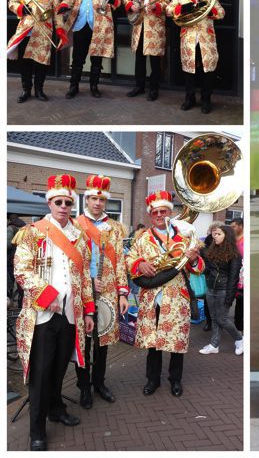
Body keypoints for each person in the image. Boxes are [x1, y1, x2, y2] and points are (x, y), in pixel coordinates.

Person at [12, 174, 95, 451]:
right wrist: (47, 296)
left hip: (71, 314)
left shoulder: (80, 238)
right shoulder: (32, 232)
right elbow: (21, 270)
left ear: (72, 205)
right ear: (49, 202)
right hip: (42, 316)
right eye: (58, 201)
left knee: (59, 369)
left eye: (68, 202)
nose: (63, 206)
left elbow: (84, 278)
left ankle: (56, 409)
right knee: (40, 374)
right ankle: (37, 431)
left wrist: (89, 312)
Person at [126, 190, 203, 398]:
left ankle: (175, 380)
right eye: (155, 212)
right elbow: (129, 259)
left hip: (177, 298)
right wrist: (139, 264)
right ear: (151, 215)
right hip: (151, 298)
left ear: (170, 213)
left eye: (163, 211)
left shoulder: (184, 237)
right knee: (153, 343)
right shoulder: (142, 239)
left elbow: (199, 268)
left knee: (176, 342)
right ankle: (152, 380)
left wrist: (194, 259)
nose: (159, 215)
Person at [73, 175, 130, 409]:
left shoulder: (115, 228)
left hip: (107, 292)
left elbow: (120, 263)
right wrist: (87, 280)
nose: (97, 203)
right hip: (82, 292)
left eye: (101, 199)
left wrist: (123, 292)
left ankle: (99, 383)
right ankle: (84, 387)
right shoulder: (75, 225)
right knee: (84, 342)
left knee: (103, 341)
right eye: (93, 198)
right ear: (86, 199)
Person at [56, 0, 120, 99]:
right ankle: (74, 86)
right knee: (78, 59)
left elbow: (117, 3)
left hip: (99, 27)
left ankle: (94, 86)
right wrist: (64, 5)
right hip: (80, 25)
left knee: (96, 59)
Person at [168, 0, 226, 113]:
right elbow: (169, 10)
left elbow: (221, 13)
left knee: (208, 71)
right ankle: (190, 99)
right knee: (189, 71)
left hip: (206, 37)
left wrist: (208, 10)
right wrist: (184, 9)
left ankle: (206, 100)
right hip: (188, 38)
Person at [7, 0, 63, 103]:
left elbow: (57, 12)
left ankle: (39, 90)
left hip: (44, 31)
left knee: (41, 62)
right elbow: (11, 1)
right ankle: (26, 90)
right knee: (25, 62)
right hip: (26, 29)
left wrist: (60, 30)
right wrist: (20, 8)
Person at [123, 0, 168, 101]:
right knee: (139, 58)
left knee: (155, 59)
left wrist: (155, 7)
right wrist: (130, 5)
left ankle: (154, 88)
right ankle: (139, 86)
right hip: (139, 25)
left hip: (154, 25)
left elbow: (166, 2)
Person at [198, 225, 243, 355]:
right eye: (214, 234)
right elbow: (207, 269)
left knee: (222, 318)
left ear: (226, 236)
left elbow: (234, 277)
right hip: (211, 288)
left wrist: (230, 297)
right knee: (213, 317)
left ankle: (239, 339)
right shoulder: (211, 250)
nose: (215, 236)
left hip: (224, 289)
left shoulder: (234, 255)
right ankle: (214, 344)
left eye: (218, 234)